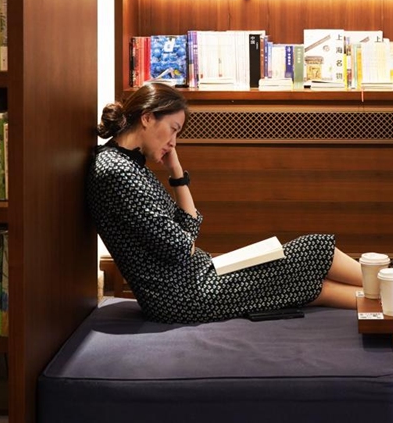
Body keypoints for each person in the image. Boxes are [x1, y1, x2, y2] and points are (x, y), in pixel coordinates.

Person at [86, 83, 364, 324]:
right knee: (315, 250)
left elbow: (189, 227)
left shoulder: (131, 166)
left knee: (315, 285)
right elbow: (181, 248)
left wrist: (177, 173)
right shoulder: (116, 171)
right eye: (173, 129)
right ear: (147, 118)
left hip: (194, 281)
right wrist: (186, 240)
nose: (173, 143)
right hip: (186, 295)